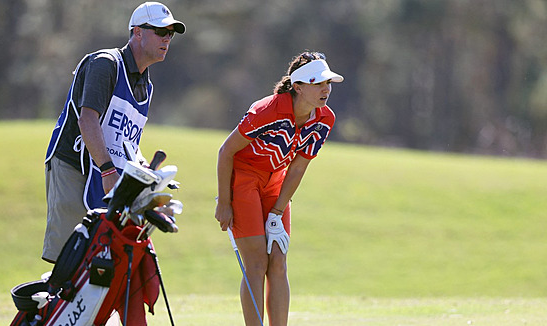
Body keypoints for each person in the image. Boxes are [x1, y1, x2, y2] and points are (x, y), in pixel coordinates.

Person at [42, 2, 186, 263]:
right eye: (159, 31)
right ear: (137, 32)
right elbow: (88, 120)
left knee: (101, 262)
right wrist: (108, 170)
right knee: (68, 261)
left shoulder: (146, 85)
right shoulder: (106, 64)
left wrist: (150, 178)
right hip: (73, 165)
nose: (166, 39)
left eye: (170, 33)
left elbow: (127, 142)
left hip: (104, 171)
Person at [215, 51, 343, 326]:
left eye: (328, 83)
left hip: (276, 183)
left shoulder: (324, 119)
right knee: (257, 263)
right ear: (297, 87)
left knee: (278, 262)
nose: (326, 89)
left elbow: (297, 167)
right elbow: (226, 151)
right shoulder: (266, 111)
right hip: (244, 180)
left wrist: (277, 211)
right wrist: (224, 202)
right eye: (318, 83)